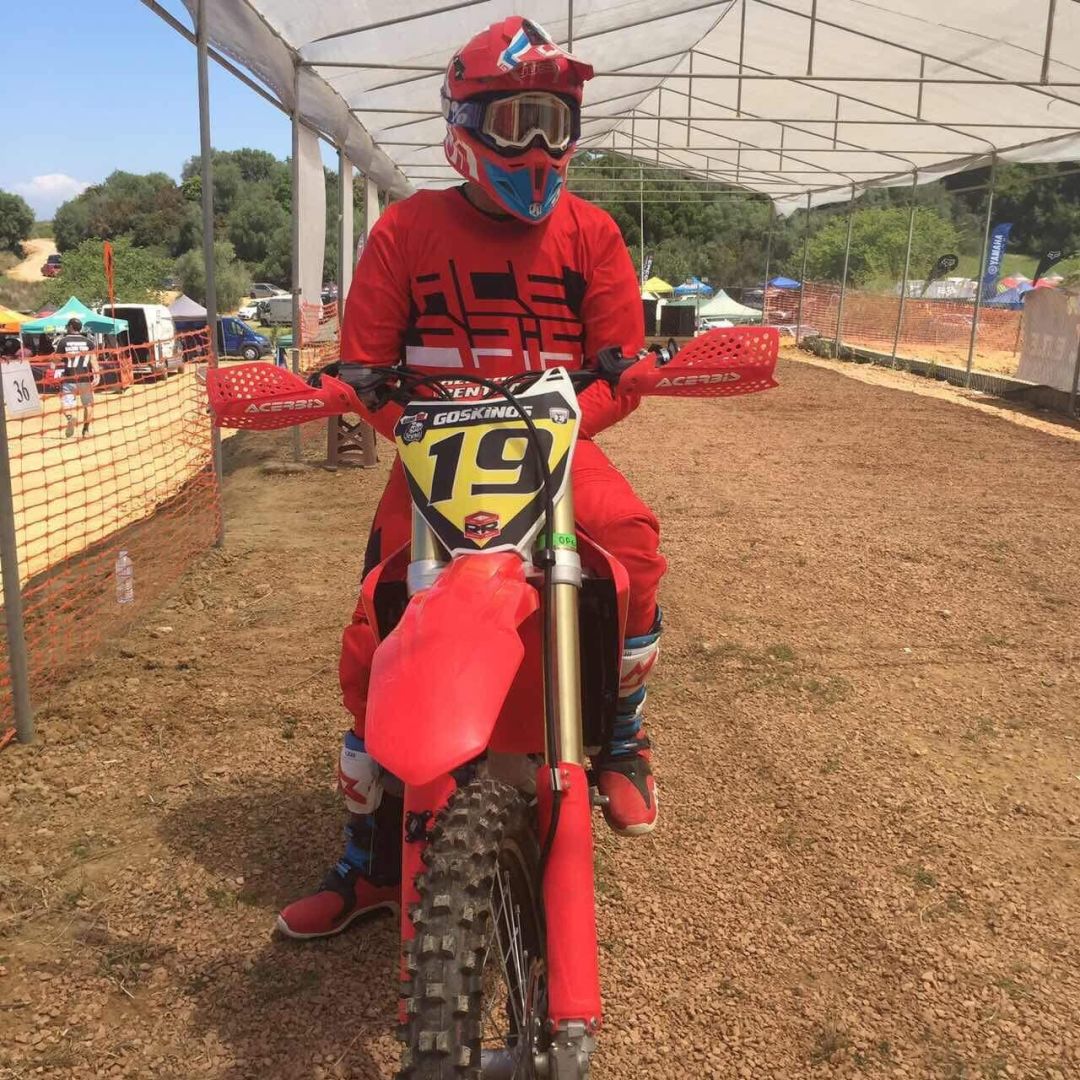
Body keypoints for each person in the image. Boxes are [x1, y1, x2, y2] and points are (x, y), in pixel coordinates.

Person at [277, 16, 667, 939]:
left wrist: (563, 422)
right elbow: (363, 365)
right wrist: (403, 421)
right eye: (516, 121)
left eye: (554, 123)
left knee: (633, 548)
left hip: (552, 452)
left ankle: (622, 737)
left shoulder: (593, 233)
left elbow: (622, 367)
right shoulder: (408, 229)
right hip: (433, 457)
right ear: (464, 124)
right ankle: (371, 856)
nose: (536, 148)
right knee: (382, 605)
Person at [54, 317, 98, 438]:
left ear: (71, 327)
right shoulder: (89, 342)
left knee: (66, 403)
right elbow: (93, 360)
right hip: (85, 377)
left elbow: (56, 359)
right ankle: (86, 430)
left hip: (69, 377)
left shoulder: (63, 341)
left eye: (68, 326)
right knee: (88, 404)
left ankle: (70, 417)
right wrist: (97, 374)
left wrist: (54, 361)